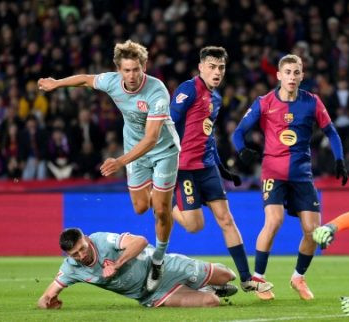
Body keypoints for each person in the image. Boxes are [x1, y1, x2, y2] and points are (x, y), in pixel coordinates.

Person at [38, 40, 180, 292]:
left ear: (144, 66)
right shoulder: (111, 81)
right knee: (140, 207)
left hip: (163, 151)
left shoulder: (157, 91)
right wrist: (57, 83)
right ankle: (164, 200)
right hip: (134, 151)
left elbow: (151, 138)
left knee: (159, 210)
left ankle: (158, 258)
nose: (132, 75)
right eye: (126, 70)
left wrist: (120, 161)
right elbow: (84, 79)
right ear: (118, 70)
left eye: (136, 69)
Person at [232, 54, 348, 300]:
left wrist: (339, 159)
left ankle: (298, 277)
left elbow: (332, 133)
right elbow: (238, 132)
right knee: (273, 221)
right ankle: (259, 279)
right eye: (288, 72)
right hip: (273, 173)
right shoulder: (264, 102)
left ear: (302, 75)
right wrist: (242, 151)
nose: (292, 77)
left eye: (296, 72)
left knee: (312, 230)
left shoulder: (312, 102)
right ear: (279, 75)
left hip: (302, 176)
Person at [169, 46, 272, 295]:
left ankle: (247, 279)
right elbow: (168, 123)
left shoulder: (215, 98)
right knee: (195, 226)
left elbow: (208, 136)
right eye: (212, 67)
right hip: (184, 169)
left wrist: (222, 168)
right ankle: (162, 203)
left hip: (206, 168)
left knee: (227, 219)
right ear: (201, 67)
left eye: (221, 67)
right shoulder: (188, 89)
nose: (217, 72)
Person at [37, 228, 238, 309]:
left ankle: (213, 281)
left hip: (163, 267)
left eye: (82, 248)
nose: (81, 255)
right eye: (75, 254)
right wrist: (48, 302)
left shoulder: (102, 240)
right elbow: (44, 298)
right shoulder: (71, 268)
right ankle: (209, 290)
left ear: (86, 239)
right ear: (68, 255)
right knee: (211, 302)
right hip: (152, 295)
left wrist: (117, 264)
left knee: (228, 276)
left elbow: (140, 241)